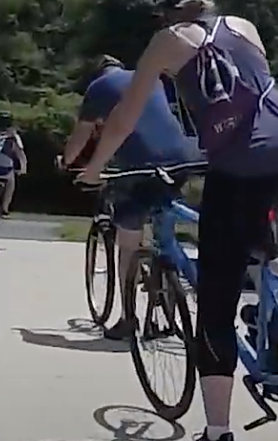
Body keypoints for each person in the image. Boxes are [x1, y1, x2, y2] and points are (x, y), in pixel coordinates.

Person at [78, 0, 278, 441]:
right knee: (253, 216)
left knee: (214, 301)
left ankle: (217, 430)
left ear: (165, 8)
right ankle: (272, 313)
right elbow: (248, 91)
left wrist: (93, 166)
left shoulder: (167, 41)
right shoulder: (244, 27)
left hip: (240, 163)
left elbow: (125, 116)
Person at [62, 54, 205, 340]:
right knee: (165, 224)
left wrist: (67, 163)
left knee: (128, 243)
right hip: (183, 159)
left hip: (141, 164)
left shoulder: (98, 88)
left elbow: (81, 136)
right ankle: (171, 281)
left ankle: (129, 319)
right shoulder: (152, 79)